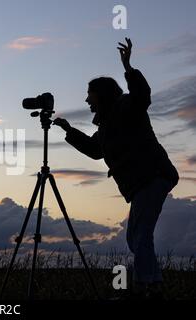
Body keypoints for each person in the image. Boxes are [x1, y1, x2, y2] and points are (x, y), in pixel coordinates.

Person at [53, 38, 179, 299]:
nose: (87, 99)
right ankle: (153, 285)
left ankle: (142, 289)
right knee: (136, 238)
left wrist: (129, 68)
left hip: (153, 176)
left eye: (90, 94)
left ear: (102, 95)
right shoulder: (106, 125)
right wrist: (68, 130)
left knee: (140, 236)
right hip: (141, 183)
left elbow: (142, 96)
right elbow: (95, 151)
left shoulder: (126, 107)